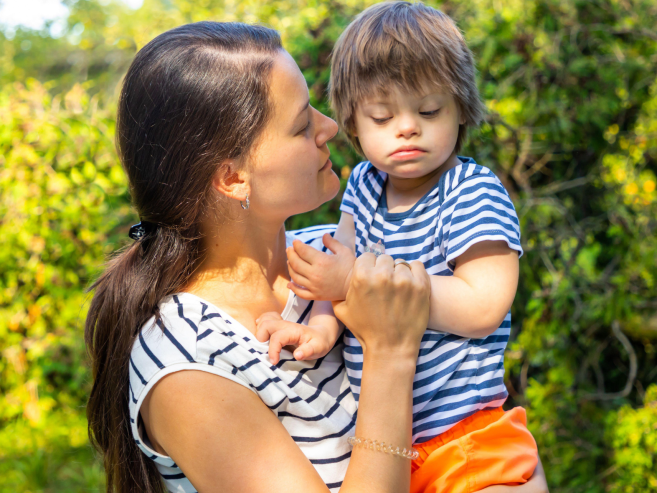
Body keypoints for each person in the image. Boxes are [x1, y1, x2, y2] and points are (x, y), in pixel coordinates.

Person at [84, 21, 549, 493]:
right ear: (233, 179)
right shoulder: (188, 358)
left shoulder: (338, 254)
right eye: (303, 124)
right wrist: (390, 351)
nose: (331, 128)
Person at [255, 3, 541, 493]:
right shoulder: (364, 185)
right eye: (383, 116)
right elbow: (336, 269)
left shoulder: (472, 191)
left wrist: (358, 281)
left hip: (467, 439)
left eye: (428, 111)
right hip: (385, 445)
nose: (407, 127)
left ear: (460, 108)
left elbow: (484, 307)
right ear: (353, 123)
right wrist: (321, 326)